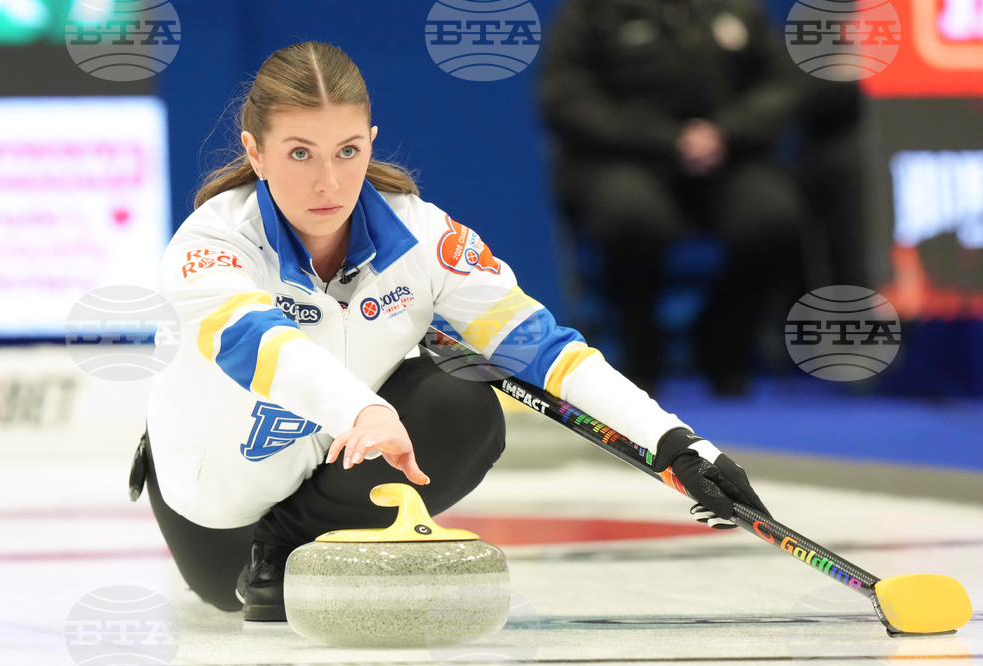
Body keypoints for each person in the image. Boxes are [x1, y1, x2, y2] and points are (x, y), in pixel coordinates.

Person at [129, 41, 769, 623]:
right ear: (255, 152)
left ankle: (290, 551)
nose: (328, 182)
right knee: (229, 572)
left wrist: (677, 443)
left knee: (463, 404)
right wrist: (362, 408)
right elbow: (260, 346)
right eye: (300, 153)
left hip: (311, 507)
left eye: (348, 151)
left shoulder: (426, 237)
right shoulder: (210, 245)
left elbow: (542, 348)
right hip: (214, 516)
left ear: (371, 143)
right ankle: (266, 554)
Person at [538, 0, 809, 395]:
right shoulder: (591, 10)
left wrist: (726, 131)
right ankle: (641, 349)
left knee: (774, 215)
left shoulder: (739, 7)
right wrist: (667, 139)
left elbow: (782, 84)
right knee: (632, 217)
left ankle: (721, 339)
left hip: (726, 155)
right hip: (627, 156)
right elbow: (564, 97)